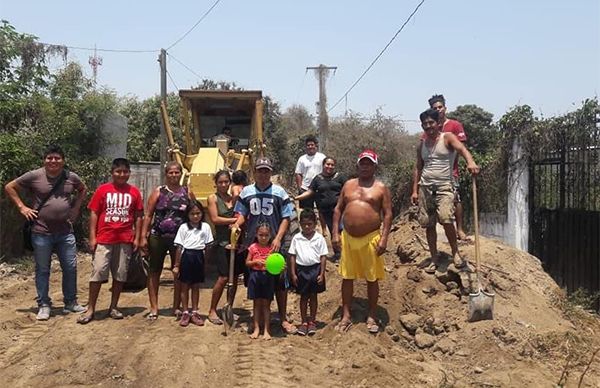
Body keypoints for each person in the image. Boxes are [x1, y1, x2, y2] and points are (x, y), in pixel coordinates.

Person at [4, 145, 87, 320]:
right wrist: (22, 207)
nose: (53, 161)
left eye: (57, 158)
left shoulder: (70, 177)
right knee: (43, 269)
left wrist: (76, 209)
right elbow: (10, 187)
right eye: (50, 158)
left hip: (65, 232)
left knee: (70, 267)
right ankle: (43, 304)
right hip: (41, 232)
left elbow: (83, 189)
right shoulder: (34, 176)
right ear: (44, 160)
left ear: (63, 160)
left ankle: (71, 302)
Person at [232, 157, 297, 334]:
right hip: (253, 245)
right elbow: (242, 213)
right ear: (254, 172)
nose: (263, 174)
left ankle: (283, 318)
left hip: (275, 245)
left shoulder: (279, 192)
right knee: (256, 282)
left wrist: (278, 238)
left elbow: (286, 217)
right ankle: (257, 320)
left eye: (266, 170)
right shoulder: (246, 192)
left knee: (279, 282)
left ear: (270, 172)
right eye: (260, 170)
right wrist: (237, 224)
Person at [411, 108, 480, 273]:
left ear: (438, 123)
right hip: (426, 187)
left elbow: (462, 150)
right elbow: (418, 168)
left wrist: (470, 162)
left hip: (444, 186)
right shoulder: (421, 144)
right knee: (428, 224)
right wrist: (415, 190)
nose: (428, 126)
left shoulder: (447, 138)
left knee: (446, 218)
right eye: (425, 124)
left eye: (431, 123)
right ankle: (434, 257)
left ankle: (455, 253)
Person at [332, 150, 392, 334]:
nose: (365, 166)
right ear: (357, 165)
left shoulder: (381, 188)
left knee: (371, 278)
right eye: (362, 163)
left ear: (375, 166)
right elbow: (338, 209)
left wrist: (384, 238)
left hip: (371, 238)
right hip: (348, 238)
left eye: (369, 163)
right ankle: (346, 315)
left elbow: (388, 214)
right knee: (347, 277)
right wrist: (335, 233)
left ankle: (372, 314)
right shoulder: (348, 185)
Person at [77, 158, 144, 324]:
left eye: (125, 172)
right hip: (105, 239)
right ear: (112, 172)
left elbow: (138, 216)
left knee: (120, 274)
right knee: (98, 272)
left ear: (129, 173)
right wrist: (93, 237)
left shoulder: (134, 192)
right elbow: (94, 213)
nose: (122, 175)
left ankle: (114, 306)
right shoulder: (102, 190)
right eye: (118, 171)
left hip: (125, 239)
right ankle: (91, 308)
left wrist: (137, 237)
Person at [139, 161, 194, 320]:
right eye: (171, 172)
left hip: (180, 239)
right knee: (154, 271)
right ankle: (154, 307)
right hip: (158, 236)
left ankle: (176, 306)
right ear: (166, 174)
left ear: (180, 174)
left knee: (178, 272)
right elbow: (148, 215)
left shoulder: (187, 192)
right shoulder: (159, 192)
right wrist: (143, 236)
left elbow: (194, 213)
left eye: (177, 172)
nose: (174, 175)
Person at [427, 94, 469, 240]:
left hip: (451, 171)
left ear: (445, 108)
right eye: (435, 108)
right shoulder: (430, 126)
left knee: (456, 198)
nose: (438, 110)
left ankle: (460, 230)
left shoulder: (455, 125)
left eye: (440, 107)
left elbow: (461, 147)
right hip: (433, 174)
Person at [207, 170, 243, 325]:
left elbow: (242, 212)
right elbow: (215, 219)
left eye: (226, 182)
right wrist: (234, 220)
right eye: (220, 182)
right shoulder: (212, 198)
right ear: (216, 183)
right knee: (223, 278)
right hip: (222, 243)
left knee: (234, 278)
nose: (223, 185)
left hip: (235, 243)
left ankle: (229, 307)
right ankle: (212, 310)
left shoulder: (233, 199)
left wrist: (237, 222)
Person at [294, 157, 347, 260]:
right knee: (333, 231)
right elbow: (310, 192)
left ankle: (346, 254)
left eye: (332, 165)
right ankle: (338, 254)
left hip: (340, 210)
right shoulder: (317, 179)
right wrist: (296, 197)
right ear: (323, 165)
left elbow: (349, 189)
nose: (330, 166)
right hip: (326, 211)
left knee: (342, 229)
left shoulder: (340, 177)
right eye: (327, 164)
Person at [172, 200, 213, 327]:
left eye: (198, 213)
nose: (195, 216)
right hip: (187, 257)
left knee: (196, 286)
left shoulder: (206, 227)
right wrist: (176, 265)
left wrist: (206, 263)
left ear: (202, 213)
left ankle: (194, 312)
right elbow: (179, 247)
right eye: (192, 214)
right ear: (188, 215)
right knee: (184, 286)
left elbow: (208, 246)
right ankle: (185, 312)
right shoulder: (183, 227)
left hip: (199, 256)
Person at [289, 210, 328, 336]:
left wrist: (321, 273)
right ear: (300, 224)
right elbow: (292, 256)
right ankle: (303, 321)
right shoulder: (297, 238)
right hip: (301, 270)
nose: (307, 227)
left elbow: (323, 256)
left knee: (313, 296)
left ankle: (312, 320)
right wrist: (293, 273)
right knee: (303, 296)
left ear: (315, 224)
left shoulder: (319, 238)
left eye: (309, 224)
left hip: (315, 269)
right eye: (304, 224)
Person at [245, 223, 276, 340]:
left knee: (267, 305)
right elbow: (247, 262)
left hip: (268, 277)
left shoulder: (272, 249)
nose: (263, 238)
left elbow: (279, 264)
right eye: (261, 235)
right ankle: (256, 328)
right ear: (256, 235)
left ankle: (267, 330)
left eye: (266, 235)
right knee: (256, 304)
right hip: (255, 276)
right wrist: (255, 262)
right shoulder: (253, 247)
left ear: (270, 236)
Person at [295, 135, 326, 210]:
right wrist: (300, 188)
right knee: (306, 212)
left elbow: (326, 171)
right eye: (308, 145)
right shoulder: (302, 159)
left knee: (322, 210)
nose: (310, 147)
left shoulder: (322, 157)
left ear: (316, 146)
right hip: (306, 188)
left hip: (320, 188)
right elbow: (298, 173)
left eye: (312, 145)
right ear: (305, 147)